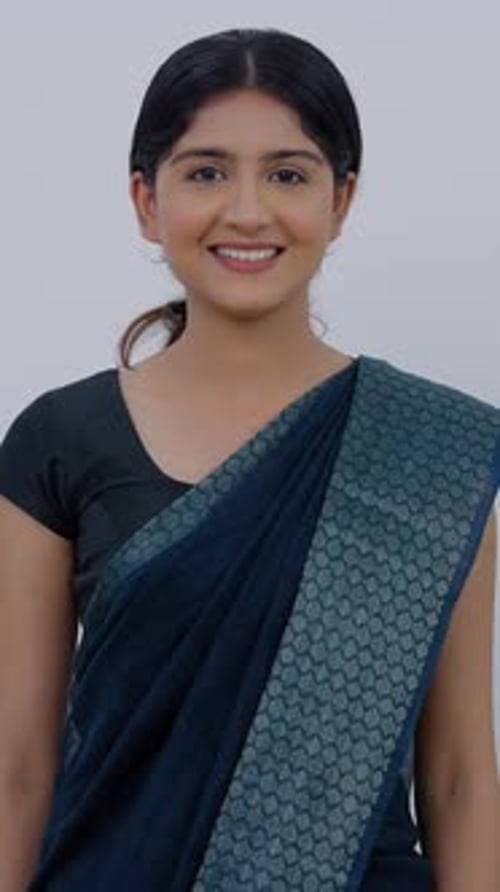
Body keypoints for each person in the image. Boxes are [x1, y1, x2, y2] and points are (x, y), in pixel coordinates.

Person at [0, 26, 499, 892]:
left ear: (340, 201)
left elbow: (458, 773)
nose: (247, 211)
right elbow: (18, 767)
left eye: (288, 173)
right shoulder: (58, 440)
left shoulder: (429, 450)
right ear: (145, 200)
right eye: (205, 171)